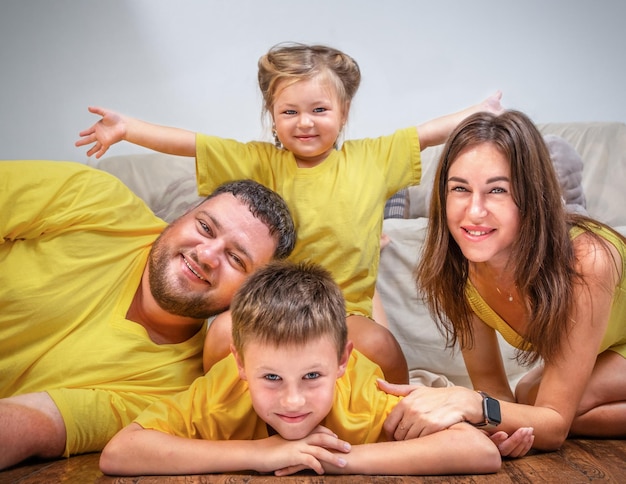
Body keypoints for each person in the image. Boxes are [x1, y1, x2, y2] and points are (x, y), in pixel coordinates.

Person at [75, 42, 505, 384]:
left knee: (384, 347)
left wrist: (479, 112)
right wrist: (128, 129)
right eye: (290, 112)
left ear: (344, 113)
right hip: (267, 306)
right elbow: (192, 143)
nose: (305, 123)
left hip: (342, 312)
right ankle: (222, 409)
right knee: (222, 332)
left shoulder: (374, 157)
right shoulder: (260, 162)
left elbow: (428, 133)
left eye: (319, 110)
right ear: (272, 117)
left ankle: (393, 418)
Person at [0, 161, 296, 471]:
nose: (206, 255)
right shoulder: (93, 198)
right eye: (205, 227)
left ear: (247, 295)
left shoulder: (173, 390)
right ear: (180, 217)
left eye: (236, 258)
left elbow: (39, 421)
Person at [99, 260, 508, 477]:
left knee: (383, 342)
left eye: (312, 376)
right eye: (271, 377)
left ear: (341, 363)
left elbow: (478, 450)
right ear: (240, 365)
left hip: (368, 371)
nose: (292, 400)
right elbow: (119, 453)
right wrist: (260, 453)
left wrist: (336, 460)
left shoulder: (361, 390)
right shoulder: (221, 389)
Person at [379, 110, 626, 453]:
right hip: (610, 352)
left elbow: (552, 426)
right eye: (460, 189)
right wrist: (498, 428)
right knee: (527, 399)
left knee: (550, 411)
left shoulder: (587, 259)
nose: (474, 211)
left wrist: (470, 404)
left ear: (531, 195)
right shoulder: (462, 271)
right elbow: (495, 393)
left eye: (497, 190)